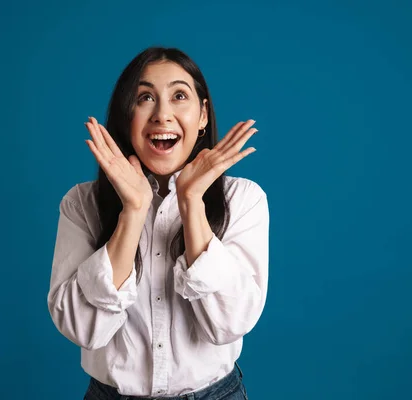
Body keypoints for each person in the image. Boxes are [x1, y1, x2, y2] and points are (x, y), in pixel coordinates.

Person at [47, 46, 269, 400]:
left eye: (179, 96)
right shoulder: (81, 203)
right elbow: (82, 329)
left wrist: (192, 202)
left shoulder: (244, 200)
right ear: (125, 116)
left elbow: (228, 325)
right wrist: (133, 211)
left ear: (202, 116)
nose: (162, 114)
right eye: (145, 98)